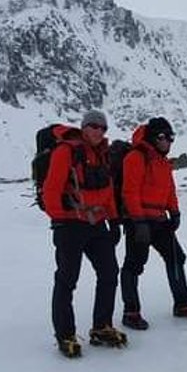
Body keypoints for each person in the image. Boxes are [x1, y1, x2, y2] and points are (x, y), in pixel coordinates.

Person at [42, 110, 125, 358]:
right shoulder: (66, 151)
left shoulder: (102, 154)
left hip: (97, 223)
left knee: (109, 272)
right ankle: (65, 334)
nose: (98, 132)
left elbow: (107, 190)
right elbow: (51, 191)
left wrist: (114, 220)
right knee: (68, 279)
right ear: (84, 127)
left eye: (102, 128)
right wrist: (60, 216)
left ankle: (101, 327)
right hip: (70, 225)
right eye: (93, 126)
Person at [120, 117, 187, 330]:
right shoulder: (135, 157)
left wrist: (174, 211)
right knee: (134, 264)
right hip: (139, 220)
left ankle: (182, 303)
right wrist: (138, 220)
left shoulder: (162, 162)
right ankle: (131, 311)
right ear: (152, 137)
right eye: (162, 137)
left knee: (176, 257)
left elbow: (169, 190)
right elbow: (129, 191)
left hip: (159, 219)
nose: (167, 141)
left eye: (171, 137)